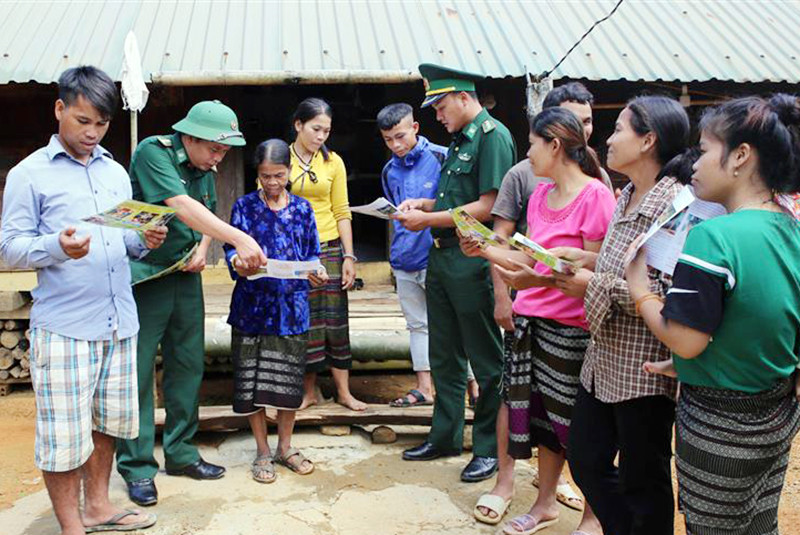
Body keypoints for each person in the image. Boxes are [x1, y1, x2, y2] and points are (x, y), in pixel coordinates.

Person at [626, 94, 800, 535]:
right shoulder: (790, 226)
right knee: (760, 523)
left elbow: (687, 338)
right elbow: (763, 316)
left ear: (740, 156)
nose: (695, 164)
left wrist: (640, 289)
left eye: (703, 151)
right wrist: (692, 362)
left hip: (719, 429)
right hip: (775, 417)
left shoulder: (715, 236)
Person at [0, 66, 163, 534]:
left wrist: (144, 241)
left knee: (106, 423)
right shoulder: (28, 174)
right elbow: (10, 246)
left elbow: (124, 243)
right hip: (65, 326)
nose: (92, 133)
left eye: (102, 124)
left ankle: (98, 506)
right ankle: (72, 525)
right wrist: (56, 247)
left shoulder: (115, 171)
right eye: (83, 121)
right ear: (59, 110)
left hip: (118, 321)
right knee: (63, 437)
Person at [464, 108, 613, 534]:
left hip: (573, 331)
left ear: (554, 145)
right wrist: (485, 250)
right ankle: (545, 504)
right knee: (544, 422)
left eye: (531, 143)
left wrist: (538, 277)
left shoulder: (596, 196)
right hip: (531, 325)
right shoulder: (541, 195)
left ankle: (593, 513)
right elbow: (525, 257)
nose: (526, 153)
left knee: (579, 428)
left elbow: (596, 274)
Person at [552, 95, 693, 535]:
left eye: (619, 130)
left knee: (643, 477)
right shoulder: (629, 193)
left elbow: (668, 296)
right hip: (604, 360)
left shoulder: (676, 209)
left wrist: (591, 285)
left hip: (645, 368)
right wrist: (584, 259)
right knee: (586, 459)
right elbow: (622, 267)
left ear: (648, 140)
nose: (607, 139)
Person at [116, 100, 268, 507]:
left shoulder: (206, 166)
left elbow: (205, 211)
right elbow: (181, 206)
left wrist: (204, 247)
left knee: (188, 364)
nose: (220, 158)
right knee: (139, 371)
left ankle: (181, 453)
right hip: (146, 278)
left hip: (186, 276)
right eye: (215, 149)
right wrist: (237, 237)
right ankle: (137, 466)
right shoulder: (154, 152)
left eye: (225, 151)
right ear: (191, 136)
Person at [395, 64, 515, 483]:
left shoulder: (492, 136)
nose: (438, 116)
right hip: (442, 257)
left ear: (465, 98)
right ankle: (444, 435)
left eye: (442, 106)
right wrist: (426, 206)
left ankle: (487, 447)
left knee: (485, 359)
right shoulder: (460, 138)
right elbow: (458, 199)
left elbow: (490, 206)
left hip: (473, 259)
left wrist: (430, 220)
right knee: (444, 353)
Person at [225, 139, 328, 483]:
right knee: (252, 383)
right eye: (265, 176)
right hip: (251, 308)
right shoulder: (243, 207)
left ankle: (285, 447)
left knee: (287, 383)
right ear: (257, 173)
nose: (272, 182)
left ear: (290, 172)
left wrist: (317, 274)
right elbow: (230, 251)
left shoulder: (302, 209)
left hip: (291, 309)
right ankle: (262, 451)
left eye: (279, 175)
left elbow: (314, 254)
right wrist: (237, 262)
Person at [287, 98, 366, 412]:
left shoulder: (334, 162)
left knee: (335, 320)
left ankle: (344, 392)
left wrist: (349, 256)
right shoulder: (281, 159)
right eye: (315, 129)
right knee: (306, 320)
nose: (321, 136)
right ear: (298, 125)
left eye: (326, 131)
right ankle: (309, 391)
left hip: (330, 247)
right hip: (295, 251)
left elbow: (341, 210)